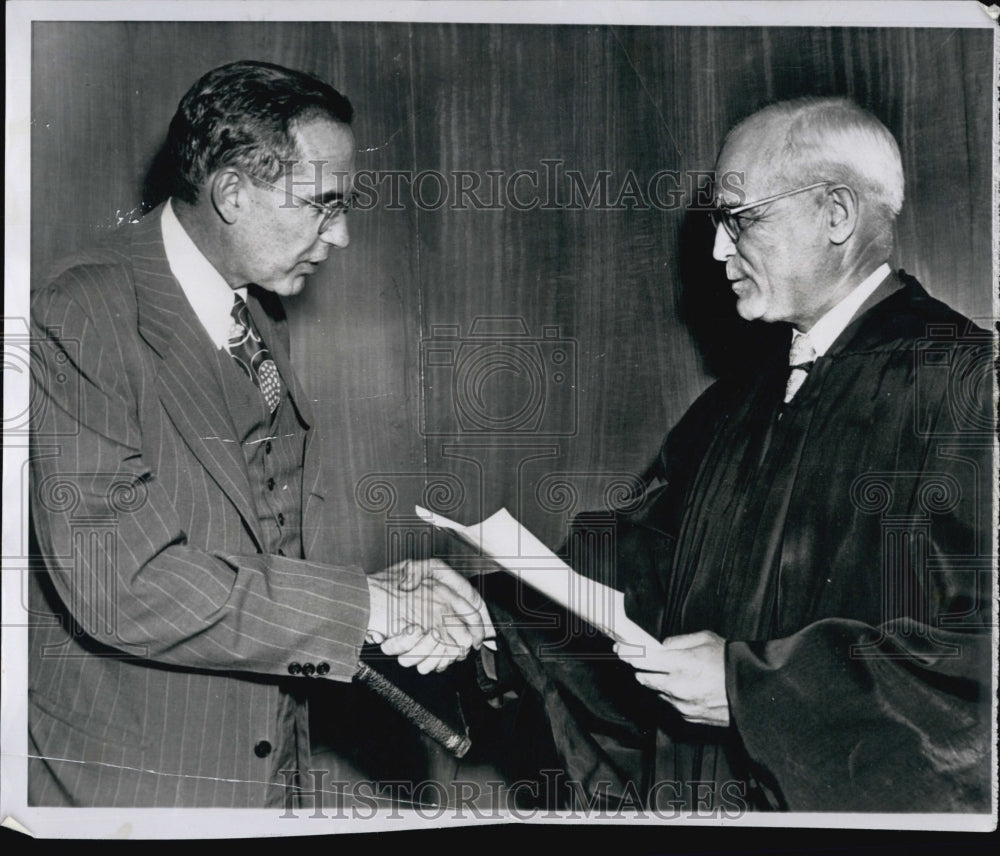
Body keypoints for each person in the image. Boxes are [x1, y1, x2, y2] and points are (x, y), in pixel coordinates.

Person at [486, 96, 993, 813]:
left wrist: (750, 687)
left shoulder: (967, 387)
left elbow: (978, 661)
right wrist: (495, 610)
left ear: (837, 216)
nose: (719, 252)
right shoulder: (737, 402)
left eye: (741, 219)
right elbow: (641, 564)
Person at [28, 60, 491, 808]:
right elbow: (125, 585)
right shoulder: (80, 311)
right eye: (322, 205)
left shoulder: (256, 310)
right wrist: (366, 609)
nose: (340, 235)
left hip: (264, 770)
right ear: (233, 193)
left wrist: (378, 591)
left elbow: (246, 545)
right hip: (127, 788)